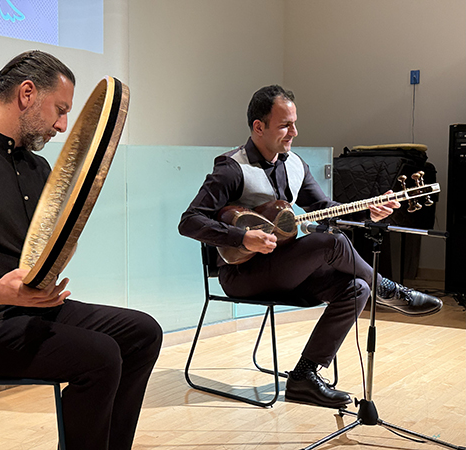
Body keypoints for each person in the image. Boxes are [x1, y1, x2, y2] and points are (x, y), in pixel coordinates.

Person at [0, 50, 162, 450]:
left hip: (30, 312)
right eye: (60, 110)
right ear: (27, 94)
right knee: (99, 356)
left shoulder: (37, 168)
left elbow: (44, 248)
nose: (63, 126)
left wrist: (61, 250)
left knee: (142, 333)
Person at [178, 85, 442, 409]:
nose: (294, 132)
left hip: (284, 269)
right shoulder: (232, 168)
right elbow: (189, 221)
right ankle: (386, 289)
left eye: (294, 123)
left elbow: (324, 208)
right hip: (242, 275)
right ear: (258, 127)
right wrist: (241, 238)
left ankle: (304, 377)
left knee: (356, 288)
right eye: (285, 125)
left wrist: (368, 210)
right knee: (332, 242)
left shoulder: (295, 164)